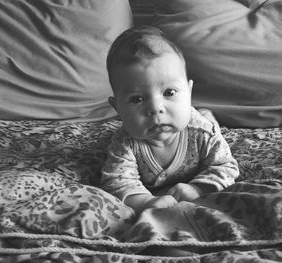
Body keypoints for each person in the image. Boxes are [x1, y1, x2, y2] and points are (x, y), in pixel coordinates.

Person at [101, 25, 239, 213]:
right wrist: (145, 202)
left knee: (209, 123)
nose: (156, 109)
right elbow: (117, 181)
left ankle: (205, 113)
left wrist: (198, 188)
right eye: (137, 99)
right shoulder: (125, 142)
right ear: (117, 108)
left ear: (189, 92)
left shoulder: (203, 133)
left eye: (170, 92)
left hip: (198, 124)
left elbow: (225, 166)